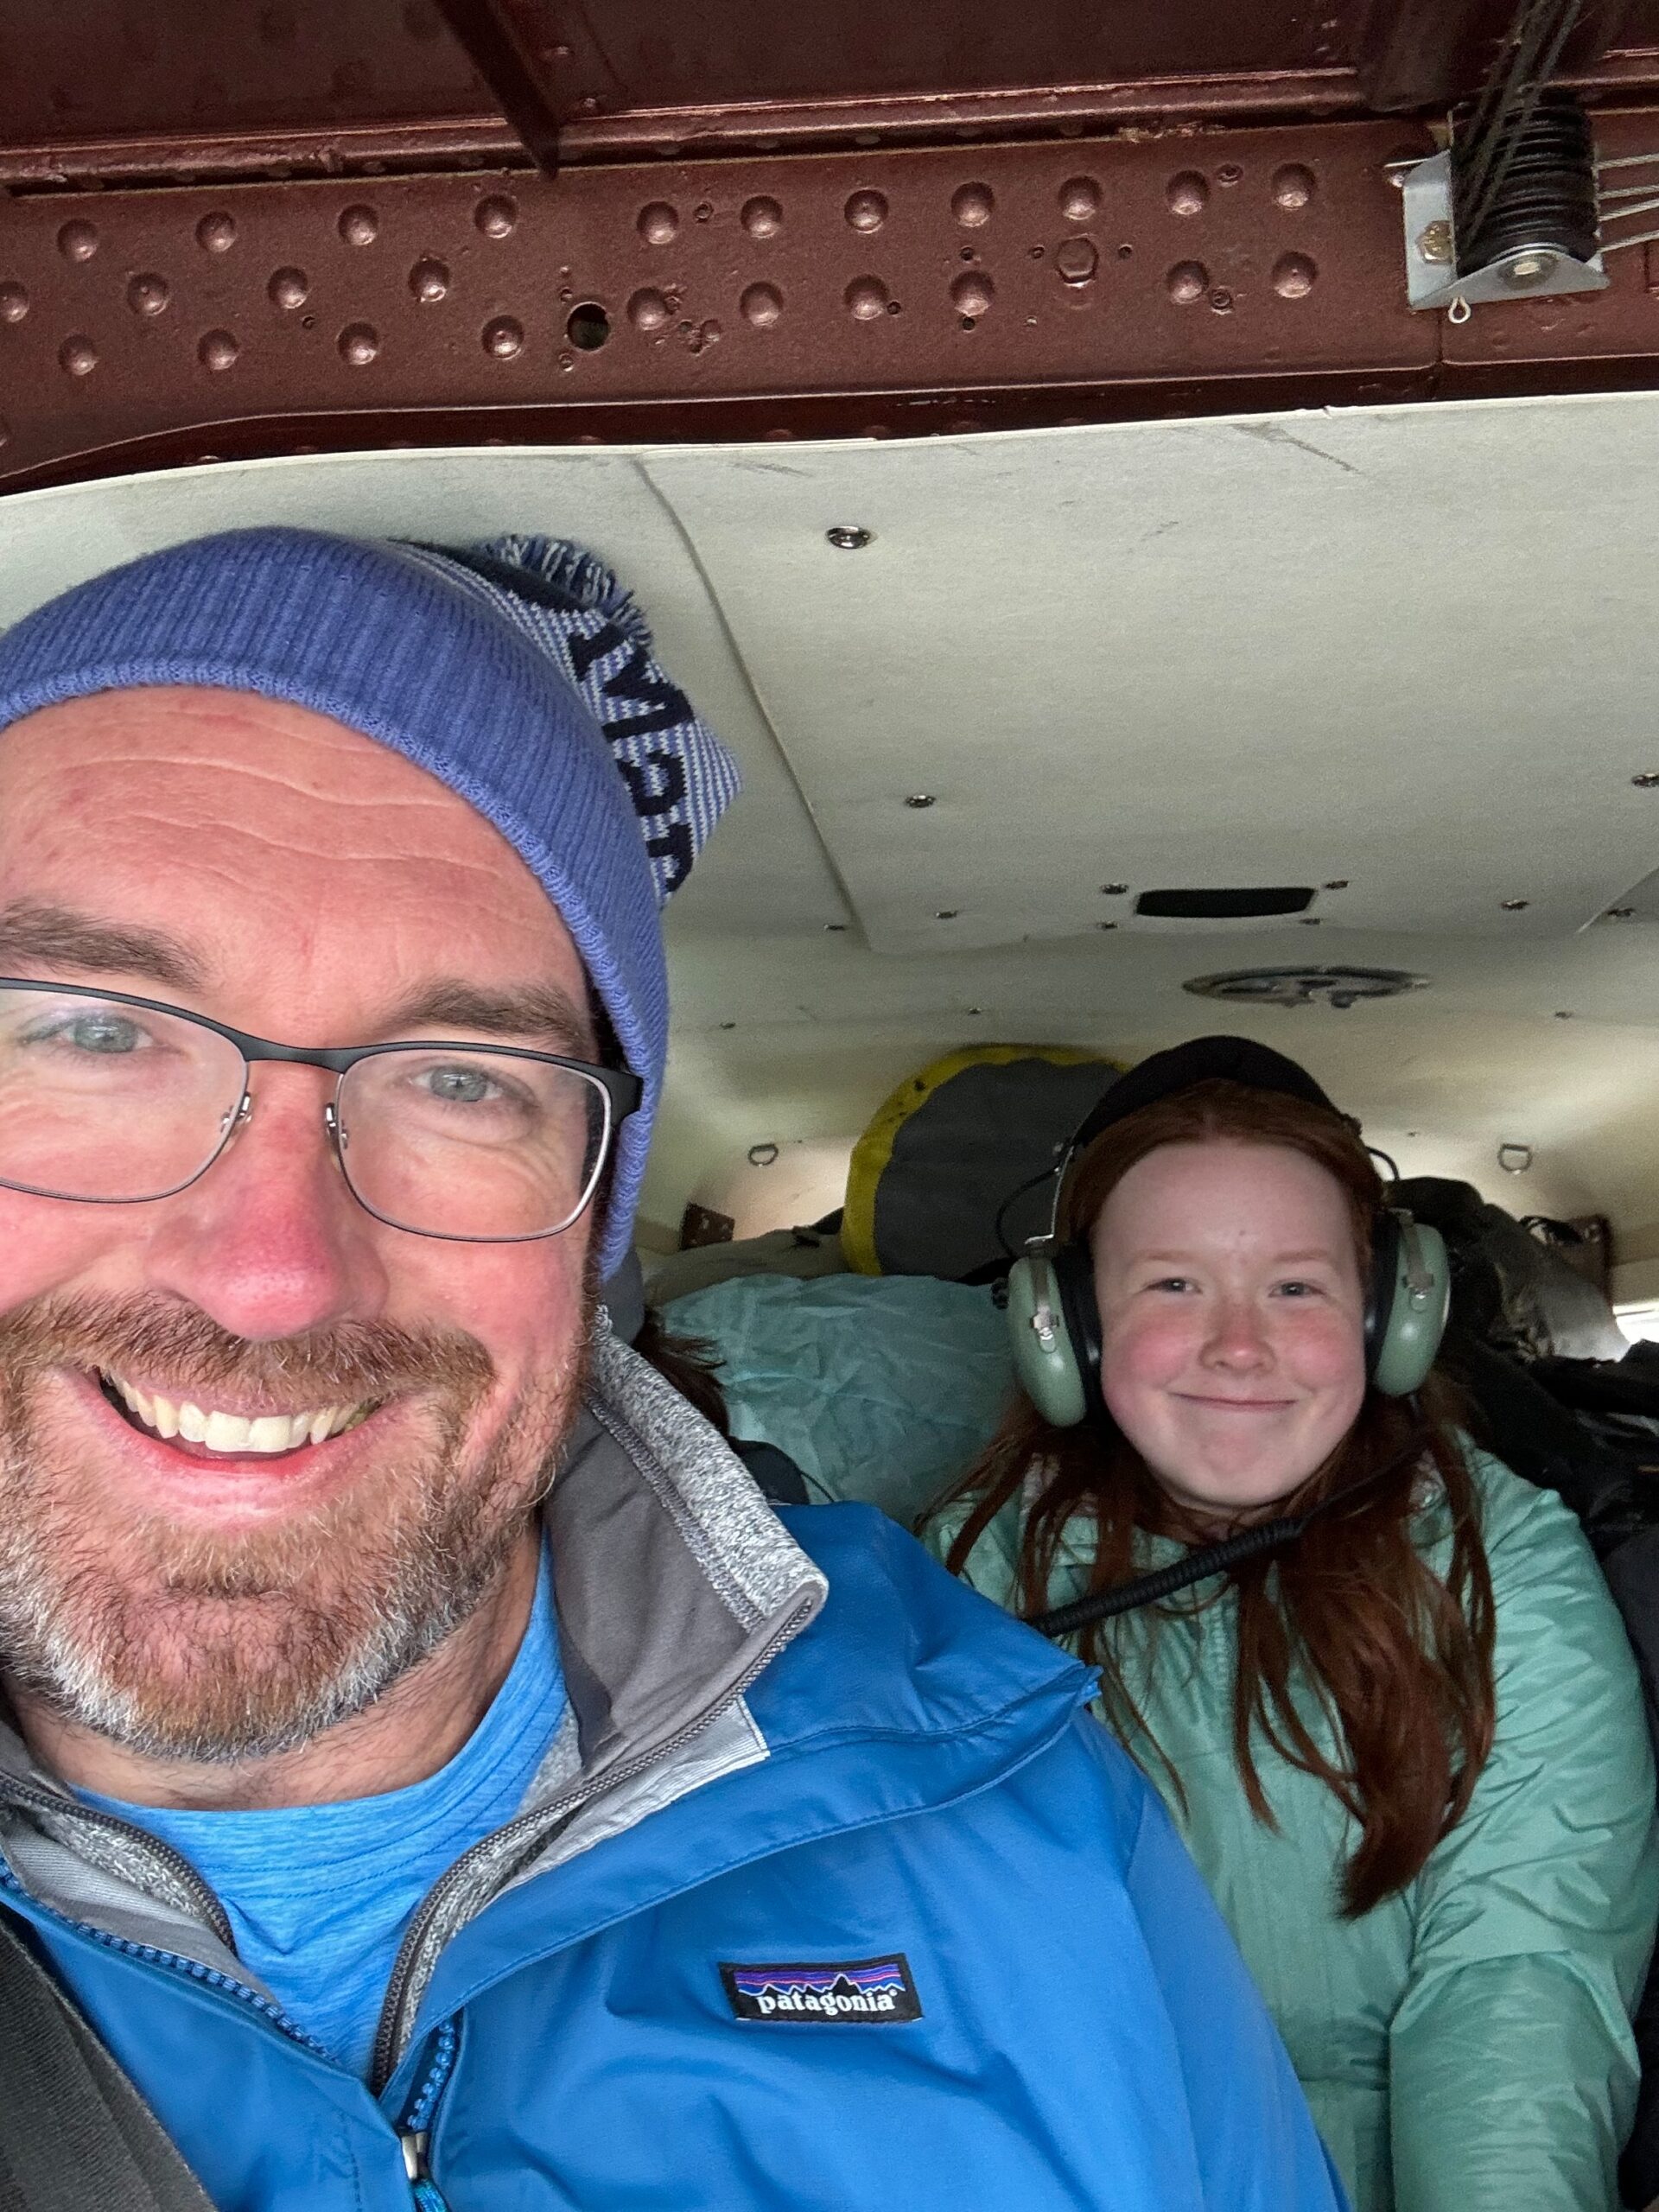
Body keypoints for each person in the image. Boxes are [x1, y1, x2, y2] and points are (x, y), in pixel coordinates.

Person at [0, 533, 1345, 2212]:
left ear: (594, 1230)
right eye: (89, 1029)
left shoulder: (1022, 1818)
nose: (272, 1270)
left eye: (462, 1079)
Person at [930, 1035, 1659, 2212]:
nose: (1238, 1346)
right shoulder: (969, 1572)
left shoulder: (1501, 1565)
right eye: (1173, 1283)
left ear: (1390, 1319)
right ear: (1067, 1324)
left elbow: (1519, 1987)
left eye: (1296, 1285)